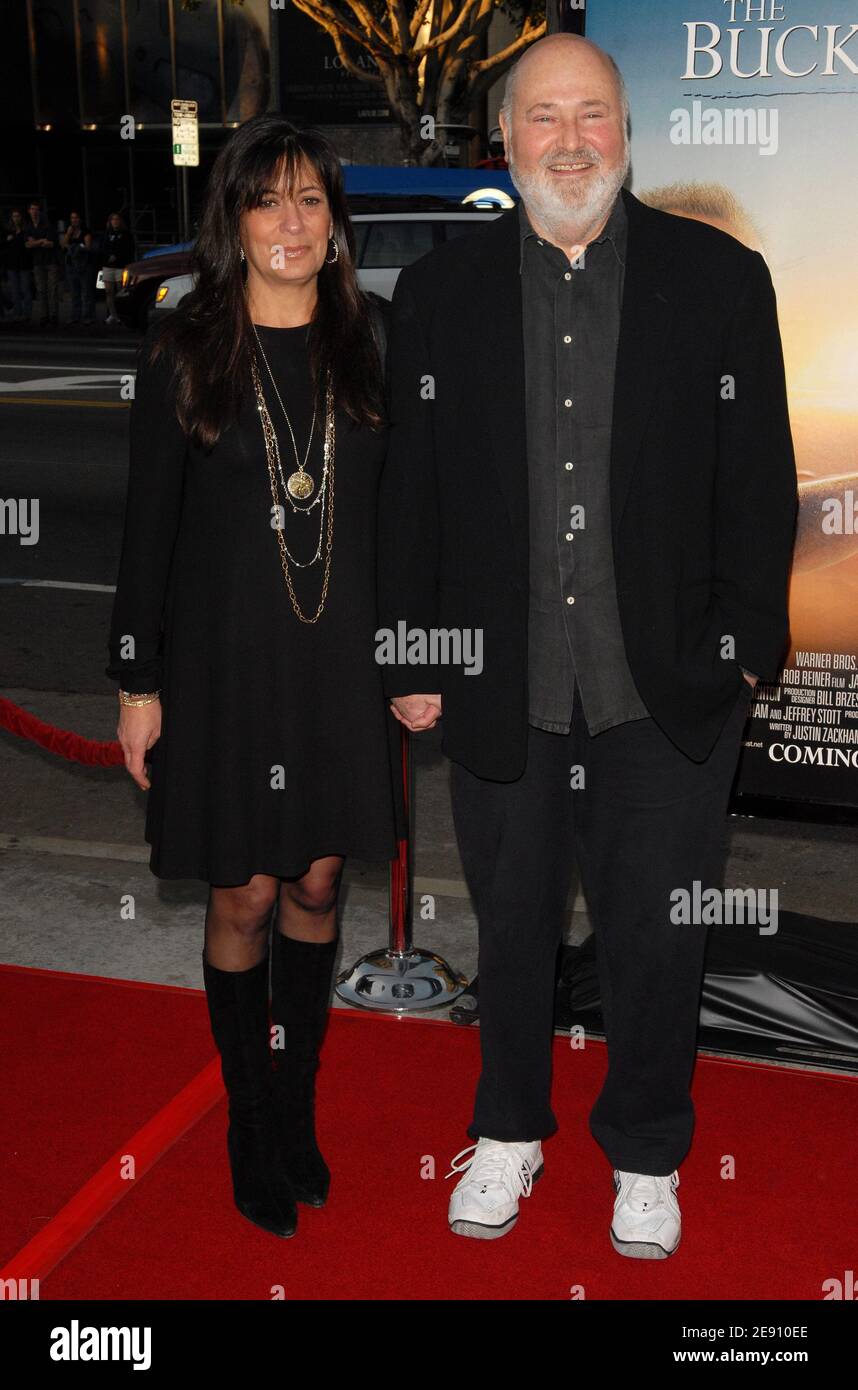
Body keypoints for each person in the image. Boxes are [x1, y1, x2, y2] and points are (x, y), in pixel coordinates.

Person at [377, 33, 797, 1257]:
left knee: (659, 935)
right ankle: (508, 1131)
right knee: (508, 927)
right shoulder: (443, 294)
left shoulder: (719, 279)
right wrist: (411, 654)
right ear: (502, 143)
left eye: (595, 116)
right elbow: (413, 496)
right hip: (503, 682)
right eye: (545, 118)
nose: (572, 141)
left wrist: (746, 647)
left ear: (628, 132)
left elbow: (758, 483)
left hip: (664, 690)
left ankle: (650, 1154)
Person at [105, 114, 402, 1239]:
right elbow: (147, 533)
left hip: (339, 662)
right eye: (268, 200)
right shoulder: (188, 348)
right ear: (234, 221)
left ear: (335, 224)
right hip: (225, 666)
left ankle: (297, 1105)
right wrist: (137, 683)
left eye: (312, 200)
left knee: (319, 887)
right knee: (245, 893)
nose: (292, 221)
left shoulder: (374, 343)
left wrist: (417, 654)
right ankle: (247, 1117)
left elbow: (413, 516)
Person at [24, 201, 59, 325]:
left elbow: (50, 243)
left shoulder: (47, 225)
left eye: (36, 209)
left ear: (39, 211)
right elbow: (28, 245)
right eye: (32, 209)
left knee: (52, 289)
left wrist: (35, 242)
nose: (34, 211)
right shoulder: (28, 227)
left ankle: (54, 315)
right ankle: (44, 315)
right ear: (29, 211)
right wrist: (41, 241)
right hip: (37, 262)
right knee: (41, 290)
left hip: (50, 261)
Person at [99, 212, 135, 324]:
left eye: (117, 219)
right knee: (109, 291)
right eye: (113, 219)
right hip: (108, 266)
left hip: (120, 266)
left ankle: (120, 315)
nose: (115, 221)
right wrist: (107, 256)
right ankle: (112, 314)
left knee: (120, 291)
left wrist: (117, 256)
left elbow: (129, 249)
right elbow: (102, 248)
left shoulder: (126, 234)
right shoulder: (106, 234)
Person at [60, 210, 95, 324]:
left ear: (80, 219)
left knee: (86, 293)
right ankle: (75, 316)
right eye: (72, 218)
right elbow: (63, 245)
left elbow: (88, 247)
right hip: (71, 266)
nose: (74, 220)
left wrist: (76, 247)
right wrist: (68, 234)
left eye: (76, 218)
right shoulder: (69, 231)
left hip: (84, 266)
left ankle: (88, 317)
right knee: (75, 293)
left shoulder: (85, 231)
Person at [2, 209, 33, 322]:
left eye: (18, 216)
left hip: (25, 264)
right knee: (15, 290)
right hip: (12, 265)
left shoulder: (26, 231)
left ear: (21, 217)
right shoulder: (8, 231)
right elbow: (4, 247)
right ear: (11, 218)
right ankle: (17, 313)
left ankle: (27, 313)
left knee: (25, 290)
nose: (16, 218)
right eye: (14, 216)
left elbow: (29, 245)